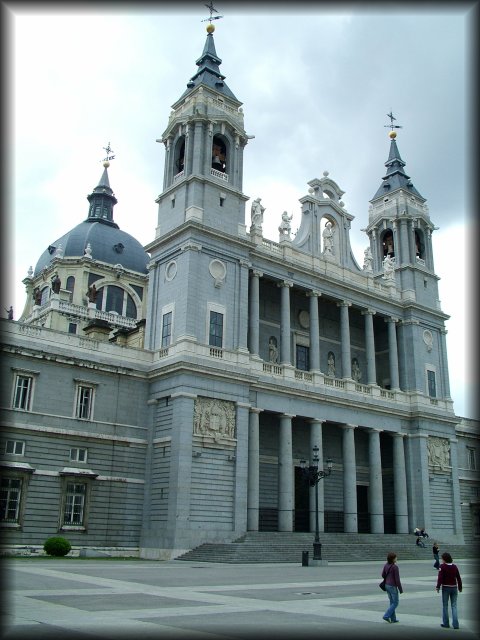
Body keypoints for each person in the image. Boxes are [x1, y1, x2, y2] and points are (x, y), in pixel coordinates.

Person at [436, 551, 462, 629]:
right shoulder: (454, 566)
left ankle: (446, 623)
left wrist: (438, 587)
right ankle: (456, 624)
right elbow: (458, 577)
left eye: (442, 559)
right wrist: (460, 587)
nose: (441, 560)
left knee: (445, 606)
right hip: (454, 587)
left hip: (446, 588)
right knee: (454, 606)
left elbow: (440, 578)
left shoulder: (442, 566)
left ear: (444, 559)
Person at [381, 551, 403, 623]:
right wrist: (400, 589)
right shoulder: (395, 567)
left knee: (392, 602)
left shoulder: (386, 565)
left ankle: (393, 619)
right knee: (396, 602)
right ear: (393, 559)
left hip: (387, 585)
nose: (397, 558)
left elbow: (383, 575)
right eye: (395, 557)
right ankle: (386, 616)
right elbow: (397, 579)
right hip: (393, 586)